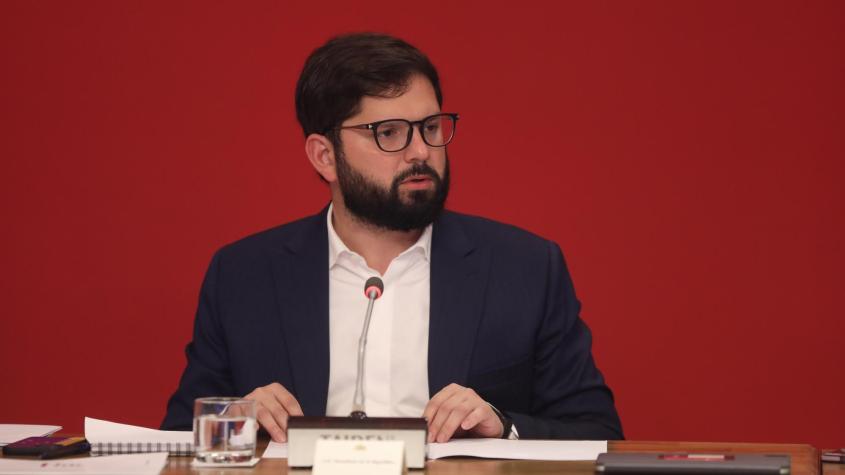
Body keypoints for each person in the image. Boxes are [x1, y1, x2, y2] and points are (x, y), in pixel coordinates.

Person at [162, 33, 623, 443]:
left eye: (430, 128)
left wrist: (503, 426)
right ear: (325, 156)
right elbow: (179, 439)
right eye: (389, 133)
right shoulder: (244, 275)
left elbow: (597, 432)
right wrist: (237, 418)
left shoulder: (524, 268)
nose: (421, 152)